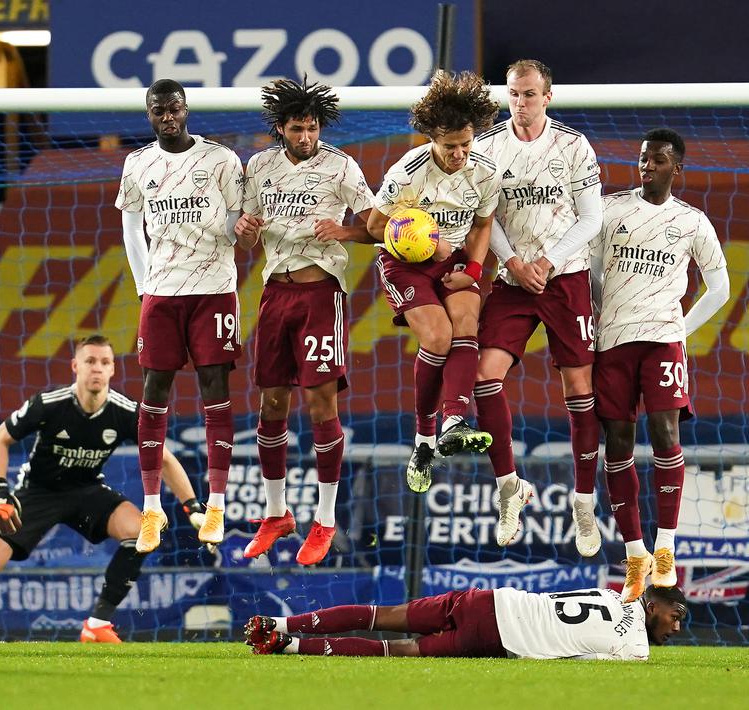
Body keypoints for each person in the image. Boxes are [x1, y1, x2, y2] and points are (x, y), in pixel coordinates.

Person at [0, 335, 205, 643]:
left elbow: (164, 457)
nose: (97, 369)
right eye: (90, 361)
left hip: (88, 490)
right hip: (39, 491)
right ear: (75, 366)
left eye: (104, 363)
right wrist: (0, 490)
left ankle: (97, 625)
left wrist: (193, 507)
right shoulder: (50, 404)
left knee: (142, 532)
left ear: (112, 371)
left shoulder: (125, 411)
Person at [234, 78, 377, 565]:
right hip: (275, 291)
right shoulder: (259, 167)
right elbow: (247, 236)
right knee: (271, 402)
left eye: (312, 128)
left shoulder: (341, 165)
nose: (306, 137)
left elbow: (378, 226)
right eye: (297, 129)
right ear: (280, 128)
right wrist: (245, 228)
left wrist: (347, 231)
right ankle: (276, 513)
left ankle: (324, 519)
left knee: (320, 403)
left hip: (322, 293)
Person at [591, 128, 729, 603]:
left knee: (666, 434)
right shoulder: (612, 210)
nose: (647, 166)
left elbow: (721, 287)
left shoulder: (692, 222)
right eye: (644, 158)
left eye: (658, 160)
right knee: (618, 443)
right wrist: (594, 321)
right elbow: (590, 273)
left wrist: (681, 330)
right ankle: (634, 554)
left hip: (663, 343)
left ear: (678, 168)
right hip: (612, 342)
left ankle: (665, 547)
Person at [471, 60, 605, 553]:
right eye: (513, 94)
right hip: (513, 279)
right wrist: (513, 261)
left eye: (529, 94)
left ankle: (584, 501)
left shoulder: (572, 146)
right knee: (484, 376)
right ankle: (509, 487)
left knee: (579, 386)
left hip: (564, 276)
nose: (521, 102)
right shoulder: (487, 149)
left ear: (547, 96)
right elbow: (485, 219)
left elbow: (592, 217)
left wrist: (549, 259)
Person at [117, 78, 244, 554]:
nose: (167, 116)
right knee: (153, 392)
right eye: (158, 110)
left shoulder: (221, 160)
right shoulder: (137, 165)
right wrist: (144, 285)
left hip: (213, 289)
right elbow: (131, 228)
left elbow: (235, 220)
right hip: (162, 295)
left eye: (173, 108)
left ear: (186, 108)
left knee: (216, 389)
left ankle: (215, 504)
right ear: (149, 115)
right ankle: (152, 509)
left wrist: (242, 226)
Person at [364, 70, 502, 492]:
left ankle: (455, 421)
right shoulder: (408, 171)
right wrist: (428, 241)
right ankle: (424, 437)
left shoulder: (485, 172)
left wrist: (474, 271)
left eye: (466, 144)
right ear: (432, 139)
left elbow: (482, 225)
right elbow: (373, 226)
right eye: (450, 147)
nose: (460, 154)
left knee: (466, 324)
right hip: (406, 263)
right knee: (439, 337)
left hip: (457, 260)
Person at [244, 584, 686, 660]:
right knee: (395, 650)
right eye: (676, 616)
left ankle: (280, 624)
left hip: (489, 600)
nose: (677, 627)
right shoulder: (637, 650)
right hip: (500, 634)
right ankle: (288, 647)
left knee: (385, 615)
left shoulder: (611, 593)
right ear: (652, 606)